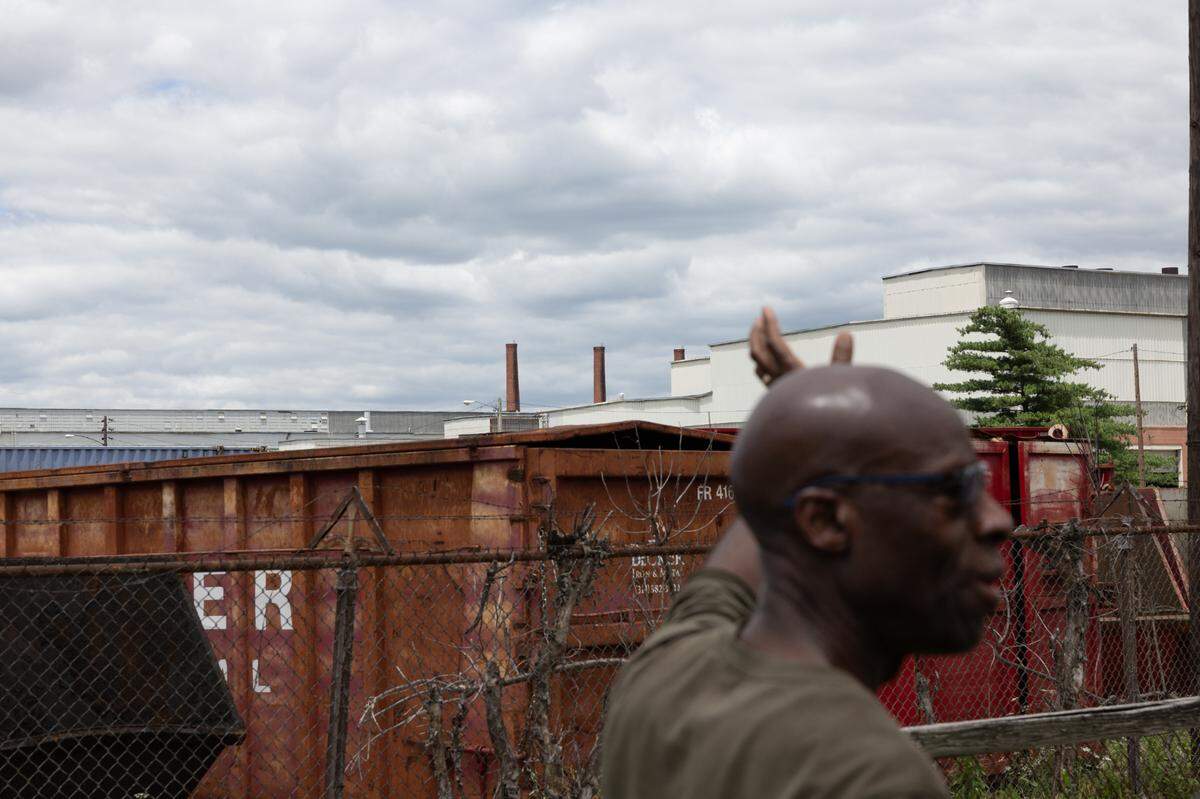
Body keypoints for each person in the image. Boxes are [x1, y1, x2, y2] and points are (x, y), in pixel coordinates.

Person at [600, 309, 1011, 798]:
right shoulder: (866, 777)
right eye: (953, 489)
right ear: (825, 521)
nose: (997, 519)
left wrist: (809, 432)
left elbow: (772, 517)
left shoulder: (663, 674)